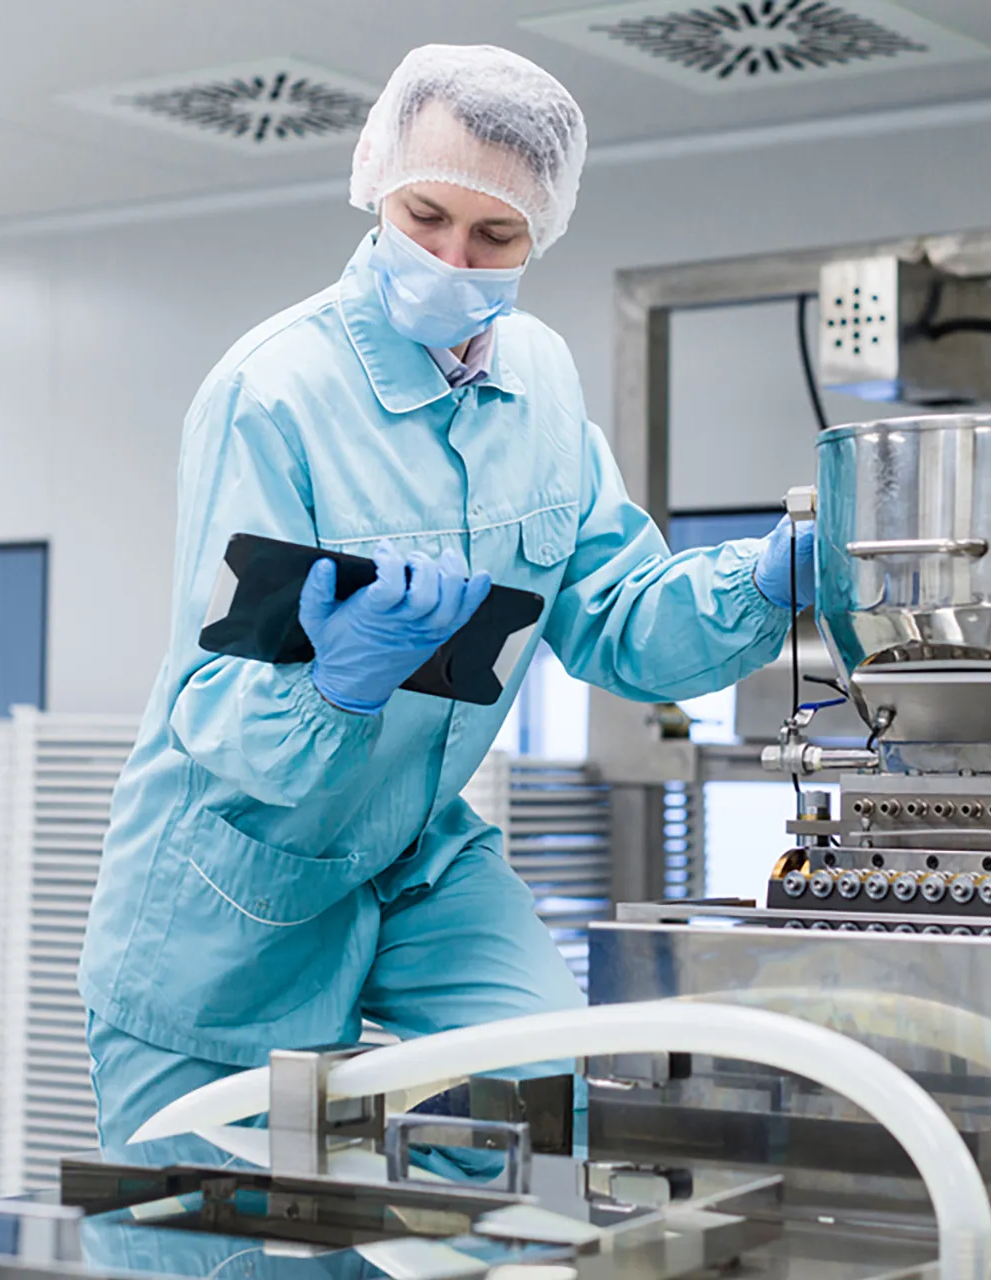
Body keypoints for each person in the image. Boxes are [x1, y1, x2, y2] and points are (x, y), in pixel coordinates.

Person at [78, 43, 817, 1155]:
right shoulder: (272, 392)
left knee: (537, 1103)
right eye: (425, 216)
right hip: (234, 871)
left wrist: (766, 580)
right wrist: (335, 688)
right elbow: (216, 705)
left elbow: (617, 617)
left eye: (494, 236)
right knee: (217, 1227)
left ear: (542, 236)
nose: (451, 256)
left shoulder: (545, 383)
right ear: (376, 183)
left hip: (417, 846)